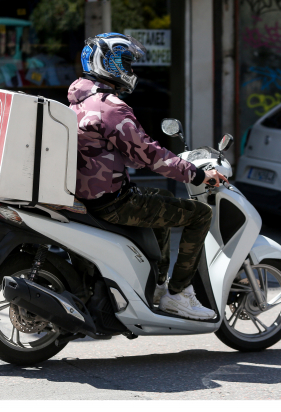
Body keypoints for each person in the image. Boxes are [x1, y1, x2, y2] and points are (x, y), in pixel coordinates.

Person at [68, 33, 229, 321]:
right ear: (108, 63)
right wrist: (197, 175)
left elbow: (125, 151)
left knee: (163, 198)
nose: (130, 70)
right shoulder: (110, 106)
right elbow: (150, 155)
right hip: (112, 202)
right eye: (125, 62)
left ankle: (158, 285)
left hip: (89, 196)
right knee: (200, 215)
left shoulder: (80, 100)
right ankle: (179, 295)